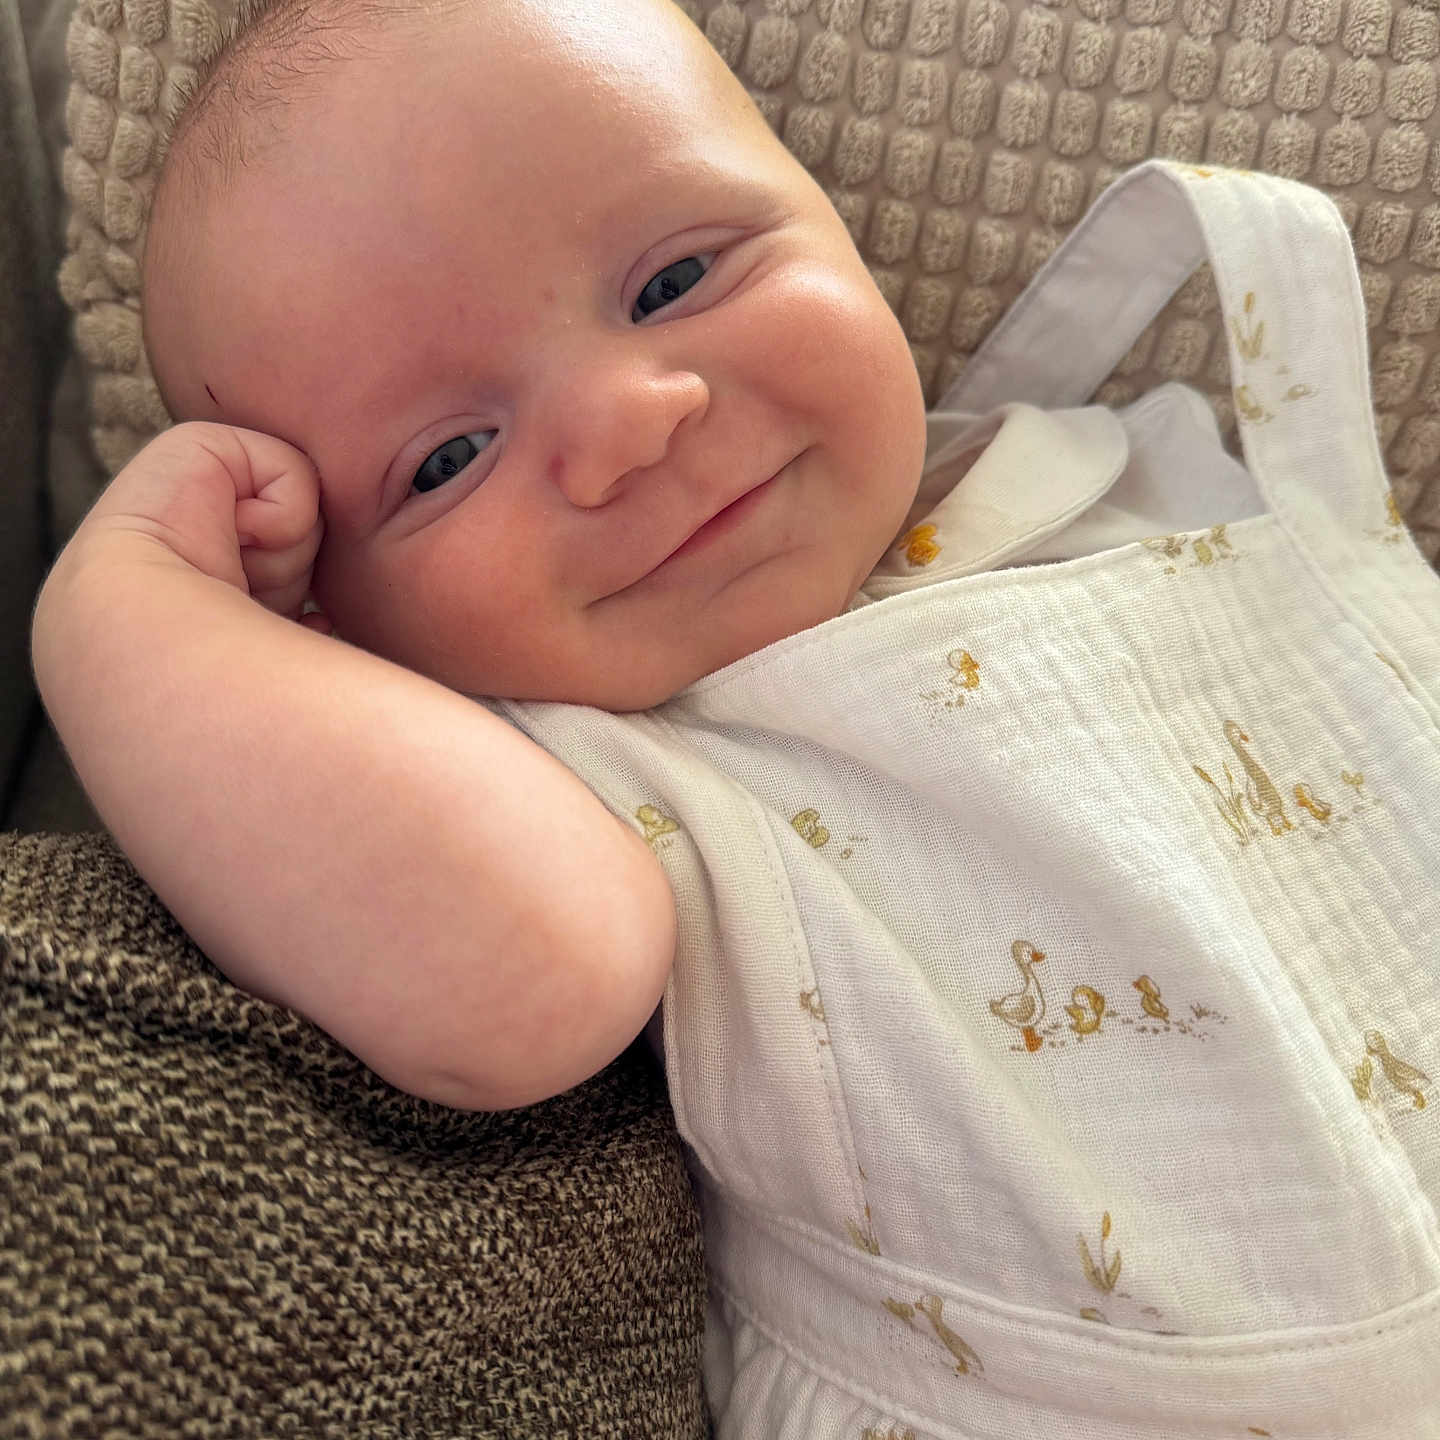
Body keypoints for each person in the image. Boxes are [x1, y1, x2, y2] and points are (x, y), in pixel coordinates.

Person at [32, 0, 1440, 1433]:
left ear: (827, 218)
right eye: (448, 459)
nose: (630, 419)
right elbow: (518, 992)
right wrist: (130, 622)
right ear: (338, 625)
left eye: (674, 281)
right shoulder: (568, 766)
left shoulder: (1151, 468)